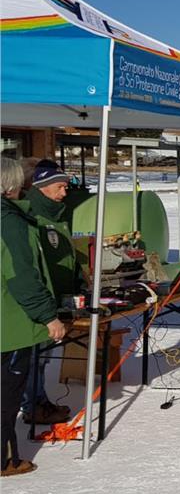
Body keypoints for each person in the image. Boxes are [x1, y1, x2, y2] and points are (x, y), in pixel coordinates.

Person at [2, 157, 68, 477]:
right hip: (10, 324)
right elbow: (22, 278)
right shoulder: (10, 221)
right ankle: (5, 460)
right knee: (6, 396)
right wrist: (48, 316)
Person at [21, 161, 78, 425]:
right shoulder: (32, 216)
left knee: (42, 357)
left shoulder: (55, 216)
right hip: (38, 300)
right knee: (33, 357)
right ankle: (32, 405)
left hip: (56, 298)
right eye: (60, 187)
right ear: (42, 187)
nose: (65, 193)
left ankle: (38, 401)